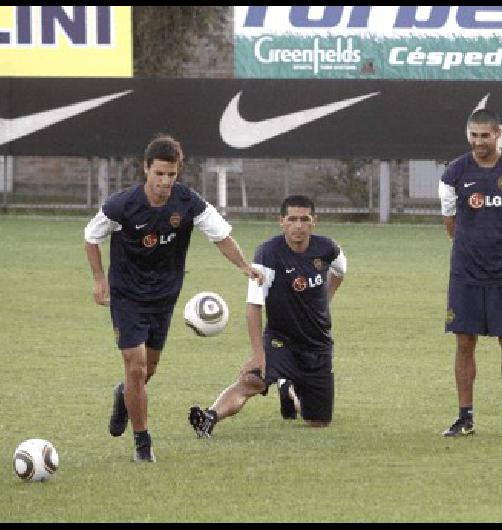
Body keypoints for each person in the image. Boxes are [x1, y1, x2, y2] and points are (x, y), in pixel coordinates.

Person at [84, 134, 264, 462]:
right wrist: (99, 279)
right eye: (159, 174)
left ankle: (125, 395)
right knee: (135, 366)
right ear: (146, 169)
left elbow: (221, 236)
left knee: (147, 371)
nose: (165, 181)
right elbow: (91, 237)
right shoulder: (121, 205)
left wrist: (243, 266)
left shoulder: (188, 203)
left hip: (164, 298)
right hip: (127, 296)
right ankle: (142, 442)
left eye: (172, 174)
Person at [188, 194, 346, 436]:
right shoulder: (268, 255)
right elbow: (254, 306)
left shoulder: (327, 249)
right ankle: (209, 417)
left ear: (314, 221)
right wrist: (259, 356)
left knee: (318, 422)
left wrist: (324, 302)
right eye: (292, 219)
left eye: (305, 219)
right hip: (280, 340)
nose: (299, 226)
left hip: (318, 345)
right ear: (281, 221)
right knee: (252, 381)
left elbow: (340, 272)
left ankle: (287, 387)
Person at [438, 108, 502, 438]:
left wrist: (498, 241)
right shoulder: (454, 173)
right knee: (464, 342)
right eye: (474, 135)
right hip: (465, 274)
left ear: (498, 134)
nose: (479, 142)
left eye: (485, 135)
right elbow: (450, 222)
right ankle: (464, 417)